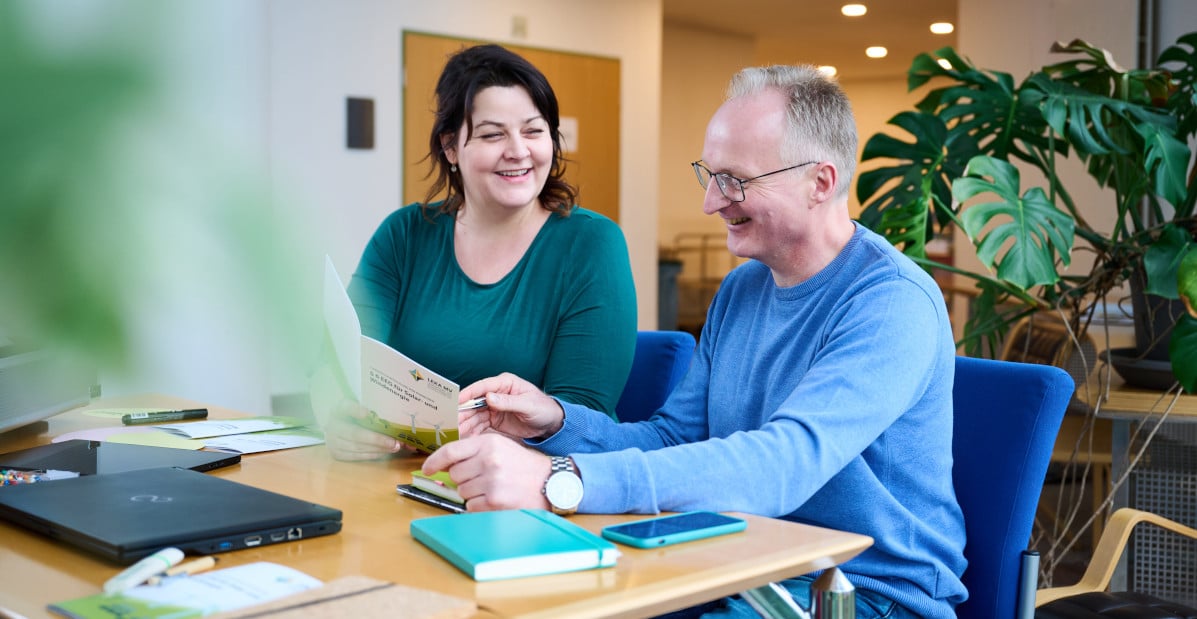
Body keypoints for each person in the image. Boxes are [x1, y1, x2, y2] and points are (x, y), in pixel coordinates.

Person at [423, 64, 968, 618]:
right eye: (710, 175)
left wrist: (560, 481)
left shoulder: (891, 303)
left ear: (820, 183)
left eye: (736, 180)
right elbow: (674, 437)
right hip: (741, 563)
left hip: (864, 593)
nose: (711, 202)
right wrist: (558, 425)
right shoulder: (743, 288)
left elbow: (783, 465)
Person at [317, 44, 637, 461]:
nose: (519, 150)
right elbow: (338, 364)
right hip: (401, 480)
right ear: (451, 148)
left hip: (525, 491)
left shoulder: (593, 244)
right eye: (492, 134)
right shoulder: (404, 234)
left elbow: (580, 417)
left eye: (534, 131)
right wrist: (337, 418)